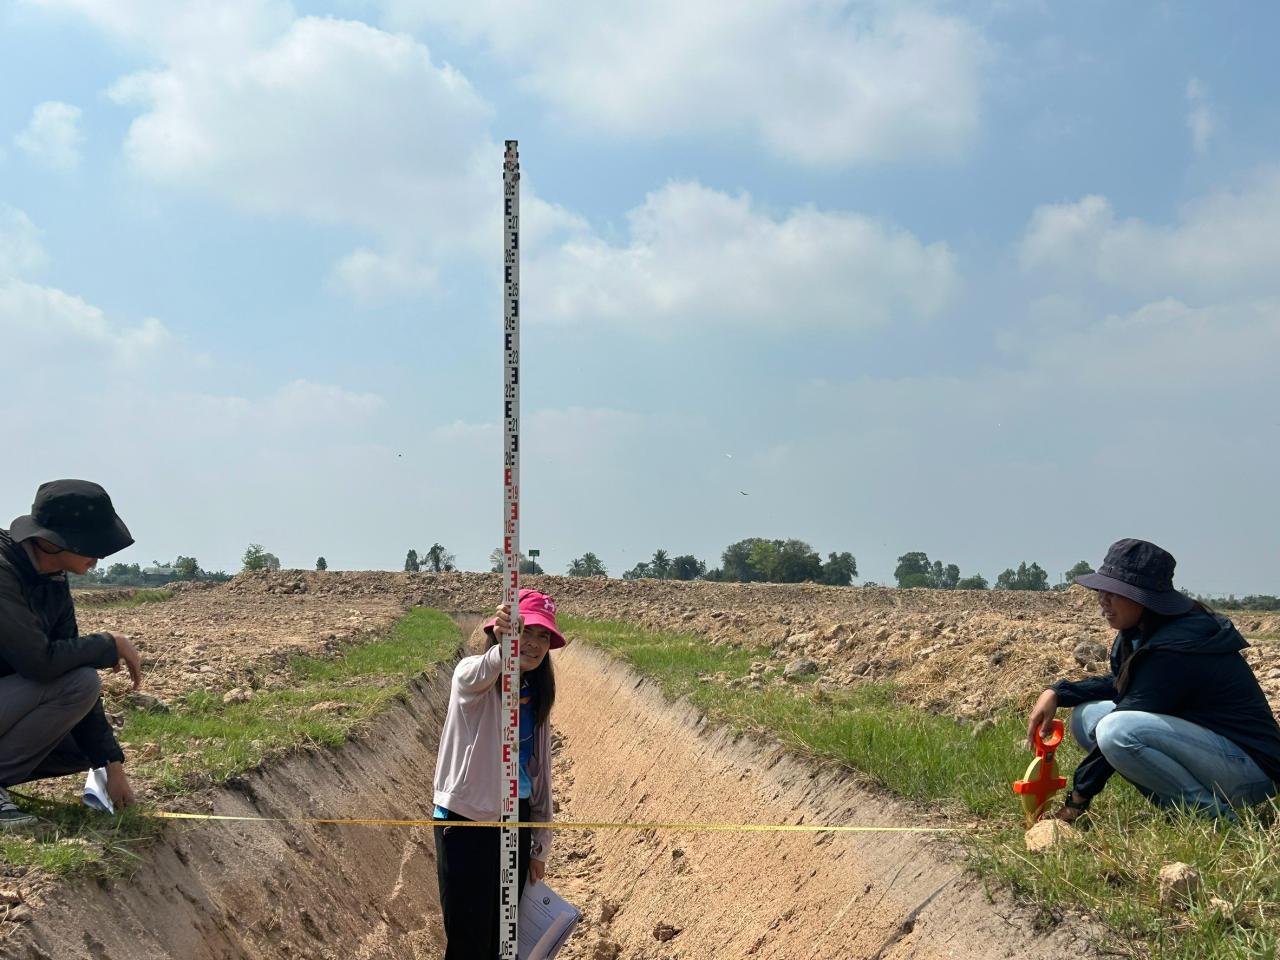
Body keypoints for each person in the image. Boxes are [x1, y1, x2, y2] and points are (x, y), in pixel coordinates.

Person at [1028, 538, 1280, 823]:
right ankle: (1178, 806)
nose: (1102, 600)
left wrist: (1077, 800)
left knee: (1115, 731)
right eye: (1102, 590)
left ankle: (1214, 817)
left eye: (1113, 592)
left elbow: (1129, 709)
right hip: (1213, 754)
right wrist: (1058, 692)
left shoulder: (1176, 647)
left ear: (1142, 598)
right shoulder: (1142, 632)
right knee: (1087, 716)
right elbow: (1126, 685)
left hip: (1250, 770)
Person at [1, 480, 144, 829]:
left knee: (80, 694)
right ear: (51, 542)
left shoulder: (51, 575)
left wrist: (111, 765)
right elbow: (38, 660)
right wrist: (109, 644)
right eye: (92, 547)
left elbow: (67, 664)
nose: (99, 558)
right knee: (77, 681)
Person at [432, 588, 564, 959]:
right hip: (465, 822)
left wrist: (540, 843)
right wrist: (503, 652)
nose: (536, 645)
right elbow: (481, 671)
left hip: (515, 821)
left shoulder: (535, 695)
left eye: (543, 636)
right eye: (527, 631)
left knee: (504, 942)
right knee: (468, 941)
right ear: (503, 632)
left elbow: (539, 777)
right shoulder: (471, 678)